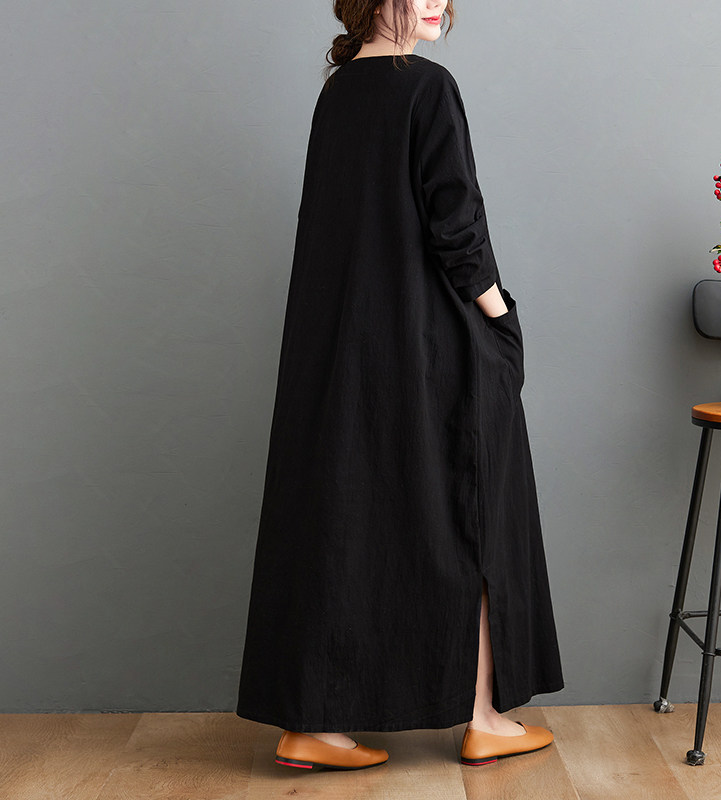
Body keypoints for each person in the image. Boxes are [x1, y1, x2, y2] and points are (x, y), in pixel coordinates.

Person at [235, 0, 564, 770]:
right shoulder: (426, 86)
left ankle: (314, 724)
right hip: (429, 344)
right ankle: (483, 717)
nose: (439, 2)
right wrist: (500, 315)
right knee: (476, 510)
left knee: (348, 520)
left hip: (343, 355)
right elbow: (457, 223)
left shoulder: (337, 93)